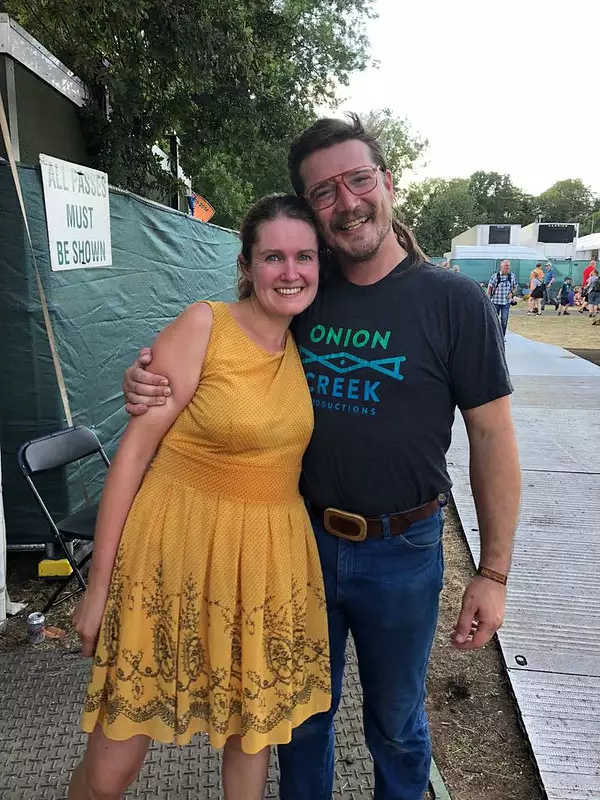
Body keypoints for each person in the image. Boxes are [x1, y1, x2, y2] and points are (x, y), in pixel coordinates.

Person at [124, 114, 521, 800]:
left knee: (396, 726)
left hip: (403, 551)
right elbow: (225, 359)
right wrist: (148, 379)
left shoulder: (454, 301)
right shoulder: (305, 286)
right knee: (299, 721)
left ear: (388, 183)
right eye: (323, 193)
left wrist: (493, 572)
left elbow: (492, 438)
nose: (346, 202)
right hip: (296, 541)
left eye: (357, 179)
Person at [68, 195, 332, 800]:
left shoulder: (305, 341)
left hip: (264, 568)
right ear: (246, 265)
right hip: (170, 557)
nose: (290, 271)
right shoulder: (205, 325)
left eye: (304, 256)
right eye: (273, 257)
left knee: (252, 742)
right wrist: (98, 588)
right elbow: (133, 455)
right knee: (111, 768)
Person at [487, 259, 518, 336]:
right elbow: (490, 287)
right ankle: (493, 335)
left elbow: (515, 286)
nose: (508, 267)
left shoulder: (512, 276)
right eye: (506, 266)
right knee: (493, 320)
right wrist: (487, 298)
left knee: (504, 320)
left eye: (509, 266)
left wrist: (512, 293)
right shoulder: (495, 276)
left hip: (506, 302)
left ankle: (502, 336)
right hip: (495, 302)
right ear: (502, 266)